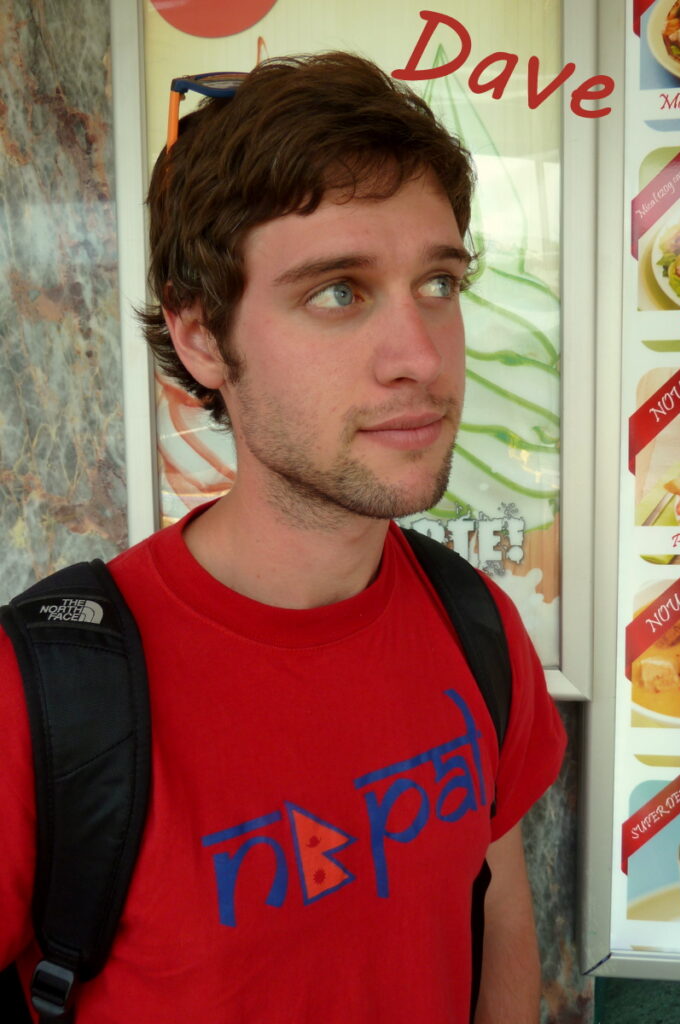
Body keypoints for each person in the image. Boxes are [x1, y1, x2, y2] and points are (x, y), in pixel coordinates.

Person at [0, 52, 565, 1022]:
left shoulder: (474, 623)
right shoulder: (39, 697)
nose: (422, 358)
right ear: (201, 338)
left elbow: (497, 901)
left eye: (439, 282)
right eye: (337, 291)